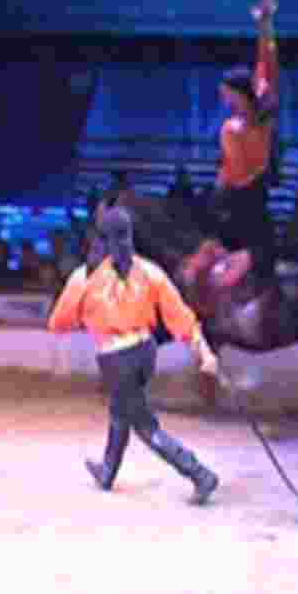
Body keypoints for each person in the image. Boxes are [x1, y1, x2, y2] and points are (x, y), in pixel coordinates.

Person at [47, 203, 222, 504]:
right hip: (145, 352)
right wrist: (205, 353)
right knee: (121, 410)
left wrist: (89, 315)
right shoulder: (151, 271)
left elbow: (58, 323)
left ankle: (199, 473)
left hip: (116, 358)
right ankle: (107, 471)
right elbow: (181, 318)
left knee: (144, 425)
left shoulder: (84, 277)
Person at [210, 0, 280, 277]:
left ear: (237, 93)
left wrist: (266, 25)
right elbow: (267, 62)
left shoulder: (245, 122)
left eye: (226, 94)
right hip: (243, 200)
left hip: (245, 202)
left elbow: (268, 64)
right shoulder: (250, 115)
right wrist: (265, 24)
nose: (223, 98)